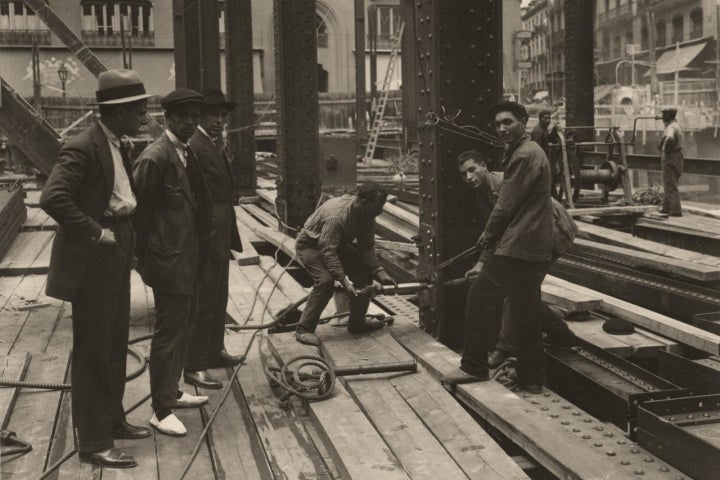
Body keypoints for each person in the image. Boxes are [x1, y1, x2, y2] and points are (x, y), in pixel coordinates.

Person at [40, 69, 153, 468]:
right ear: (119, 112)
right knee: (93, 349)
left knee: (115, 340)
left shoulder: (115, 142)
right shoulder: (83, 145)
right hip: (93, 260)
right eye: (139, 110)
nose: (144, 117)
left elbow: (118, 192)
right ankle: (93, 442)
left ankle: (112, 420)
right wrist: (94, 231)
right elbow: (52, 197)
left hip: (116, 252)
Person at [442, 101, 554, 394]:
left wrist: (487, 237)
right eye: (498, 125)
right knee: (524, 309)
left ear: (523, 122)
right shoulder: (527, 152)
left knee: (480, 295)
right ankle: (532, 378)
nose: (502, 129)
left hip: (520, 243)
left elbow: (505, 206)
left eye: (508, 122)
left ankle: (473, 367)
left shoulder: (524, 154)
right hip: (533, 243)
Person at [133, 88, 212, 436]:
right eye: (183, 116)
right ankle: (160, 409)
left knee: (183, 326)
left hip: (188, 258)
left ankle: (172, 391)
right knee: (169, 333)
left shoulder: (184, 153)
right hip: (169, 263)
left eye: (195, 116)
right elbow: (139, 217)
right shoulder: (155, 158)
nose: (190, 122)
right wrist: (147, 262)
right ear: (167, 118)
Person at [457, 149, 577, 369]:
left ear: (484, 166)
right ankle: (561, 334)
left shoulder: (504, 184)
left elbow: (517, 225)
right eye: (464, 174)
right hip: (529, 236)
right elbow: (495, 232)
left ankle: (505, 348)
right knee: (522, 290)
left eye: (472, 169)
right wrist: (481, 263)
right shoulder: (482, 195)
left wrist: (490, 263)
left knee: (516, 289)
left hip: (550, 231)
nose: (469, 177)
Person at [183, 88, 244, 390]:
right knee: (203, 300)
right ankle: (194, 365)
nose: (219, 120)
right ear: (199, 117)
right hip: (207, 236)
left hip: (219, 234)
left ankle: (213, 350)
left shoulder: (212, 144)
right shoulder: (195, 146)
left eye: (222, 115)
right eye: (213, 115)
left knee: (219, 297)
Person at [294, 182, 398, 347]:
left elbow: (366, 248)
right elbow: (327, 250)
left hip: (336, 243)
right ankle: (303, 329)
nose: (380, 211)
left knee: (364, 272)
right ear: (363, 203)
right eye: (377, 207)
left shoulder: (367, 215)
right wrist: (344, 281)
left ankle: (357, 323)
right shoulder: (337, 216)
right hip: (310, 245)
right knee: (325, 281)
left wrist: (380, 273)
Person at [659, 107, 684, 217]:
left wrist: (664, 148)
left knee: (670, 184)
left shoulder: (670, 127)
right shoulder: (678, 125)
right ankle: (666, 207)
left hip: (671, 156)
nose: (662, 117)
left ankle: (676, 210)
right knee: (670, 182)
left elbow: (670, 138)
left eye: (664, 114)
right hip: (678, 156)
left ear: (669, 115)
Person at [531, 109, 561, 200]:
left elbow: (547, 140)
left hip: (546, 160)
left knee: (551, 182)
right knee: (547, 183)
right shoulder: (537, 131)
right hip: (541, 162)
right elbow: (537, 149)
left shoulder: (543, 129)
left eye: (549, 118)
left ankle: (555, 200)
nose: (548, 121)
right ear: (540, 119)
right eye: (545, 118)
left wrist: (554, 132)